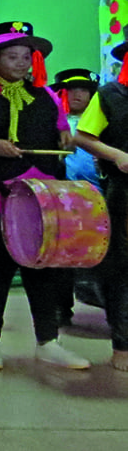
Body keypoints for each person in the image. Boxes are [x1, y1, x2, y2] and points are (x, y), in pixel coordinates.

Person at [0, 21, 89, 370]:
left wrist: (66, 139)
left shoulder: (47, 95)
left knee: (44, 268)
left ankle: (48, 342)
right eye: (12, 56)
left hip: (43, 197)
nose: (21, 63)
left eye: (26, 56)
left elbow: (61, 130)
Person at [74, 41, 128, 371]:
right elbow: (83, 136)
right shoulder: (110, 95)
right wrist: (117, 155)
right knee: (122, 269)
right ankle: (123, 345)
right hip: (124, 189)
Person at [50, 68, 102, 326]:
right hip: (64, 198)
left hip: (101, 196)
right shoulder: (53, 123)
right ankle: (61, 306)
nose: (77, 95)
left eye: (84, 90)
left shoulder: (102, 122)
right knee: (62, 254)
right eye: (71, 90)